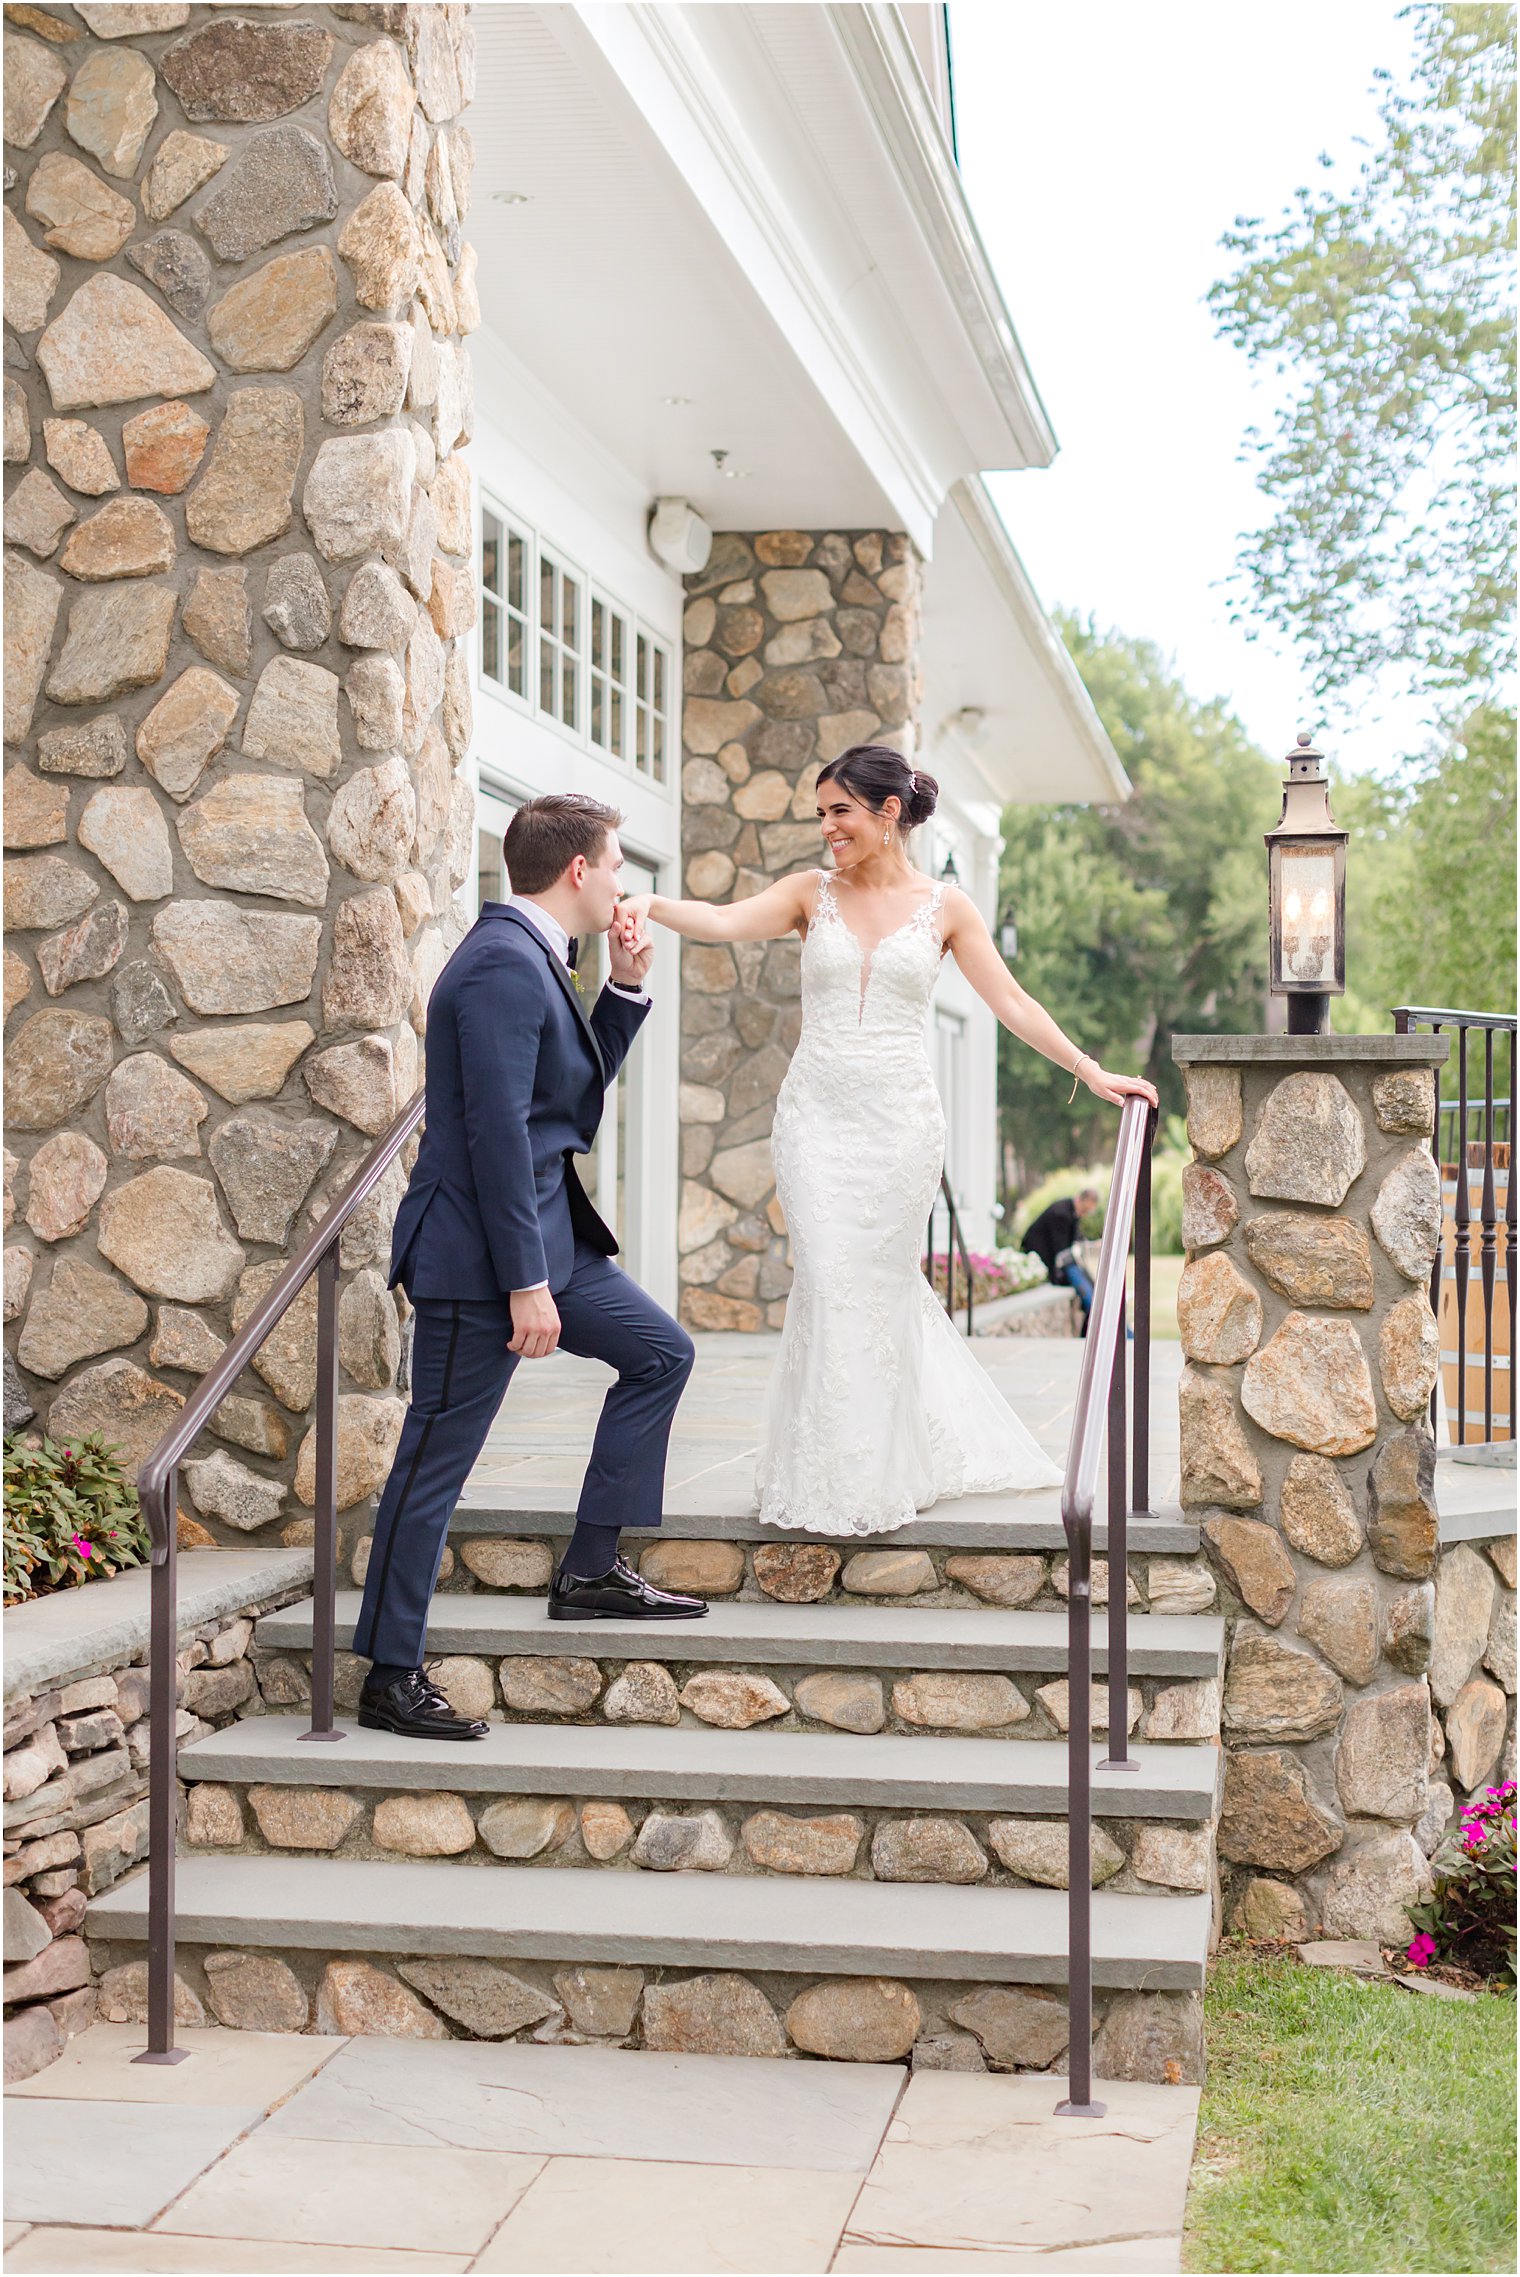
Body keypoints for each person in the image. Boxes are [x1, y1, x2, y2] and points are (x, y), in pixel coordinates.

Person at [617, 744, 1158, 1537]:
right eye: (821, 813)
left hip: (901, 1127)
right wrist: (651, 905)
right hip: (815, 1122)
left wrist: (1093, 1070)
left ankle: (878, 1468)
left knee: (875, 1290)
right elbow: (728, 921)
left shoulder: (949, 907)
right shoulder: (811, 893)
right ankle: (827, 1470)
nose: (827, 828)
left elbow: (1010, 1000)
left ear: (888, 811)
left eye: (840, 811)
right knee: (831, 1282)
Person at [353, 793, 703, 1744]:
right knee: (434, 1464)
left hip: (550, 1239)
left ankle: (591, 1570)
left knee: (661, 1354)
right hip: (483, 1259)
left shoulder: (535, 956)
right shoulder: (505, 963)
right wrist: (526, 1284)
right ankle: (390, 1674)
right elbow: (497, 1136)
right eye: (619, 864)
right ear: (579, 871)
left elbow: (560, 1099)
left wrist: (625, 989)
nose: (627, 883)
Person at [1022, 1186, 1101, 1336]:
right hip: (1039, 1249)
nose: (1084, 1214)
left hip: (1052, 1253)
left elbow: (1075, 1238)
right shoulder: (1061, 1213)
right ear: (1080, 1200)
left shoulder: (1071, 1212)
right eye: (1084, 1210)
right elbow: (1061, 1249)